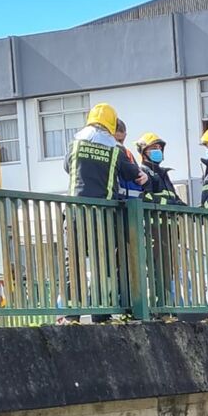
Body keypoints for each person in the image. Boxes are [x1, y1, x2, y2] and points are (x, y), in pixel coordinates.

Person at [63, 103, 147, 322]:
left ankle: (72, 314)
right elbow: (133, 174)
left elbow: (67, 167)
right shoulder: (114, 149)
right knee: (104, 263)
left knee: (74, 261)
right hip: (103, 214)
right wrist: (144, 176)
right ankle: (102, 312)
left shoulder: (76, 143)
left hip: (74, 212)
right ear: (111, 125)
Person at [135, 132, 185, 206]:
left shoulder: (163, 173)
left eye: (160, 148)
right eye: (154, 148)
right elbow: (147, 198)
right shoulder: (142, 172)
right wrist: (171, 204)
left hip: (170, 217)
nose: (158, 151)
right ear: (143, 153)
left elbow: (174, 198)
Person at [115, 119, 144, 200]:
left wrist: (144, 176)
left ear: (125, 135)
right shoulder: (109, 153)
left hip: (135, 203)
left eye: (120, 140)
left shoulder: (128, 153)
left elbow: (137, 175)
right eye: (115, 140)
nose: (118, 143)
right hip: (119, 202)